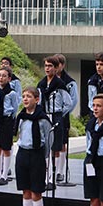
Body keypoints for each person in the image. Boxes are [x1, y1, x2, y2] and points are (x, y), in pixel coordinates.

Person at [13, 87, 53, 206]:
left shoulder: (42, 118)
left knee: (36, 191)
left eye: (29, 96)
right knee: (25, 191)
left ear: (37, 99)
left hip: (36, 153)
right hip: (23, 153)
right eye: (23, 96)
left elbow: (50, 139)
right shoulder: (21, 116)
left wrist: (43, 155)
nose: (25, 99)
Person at [37, 55, 72, 191]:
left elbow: (68, 103)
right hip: (45, 115)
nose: (47, 68)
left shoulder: (60, 84)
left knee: (55, 147)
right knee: (45, 147)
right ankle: (46, 177)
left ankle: (54, 176)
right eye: (46, 66)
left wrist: (59, 115)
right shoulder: (41, 84)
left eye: (50, 66)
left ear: (56, 68)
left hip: (56, 115)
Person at [0, 66, 20, 186]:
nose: (1, 78)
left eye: (4, 76)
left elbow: (15, 107)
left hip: (6, 119)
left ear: (9, 78)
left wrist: (11, 119)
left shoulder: (11, 93)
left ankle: (5, 175)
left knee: (6, 146)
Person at [55, 54, 78, 182]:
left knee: (62, 143)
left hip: (62, 116)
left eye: (57, 65)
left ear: (62, 66)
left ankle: (60, 170)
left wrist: (62, 113)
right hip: (50, 115)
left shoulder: (69, 82)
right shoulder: (46, 81)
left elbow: (73, 101)